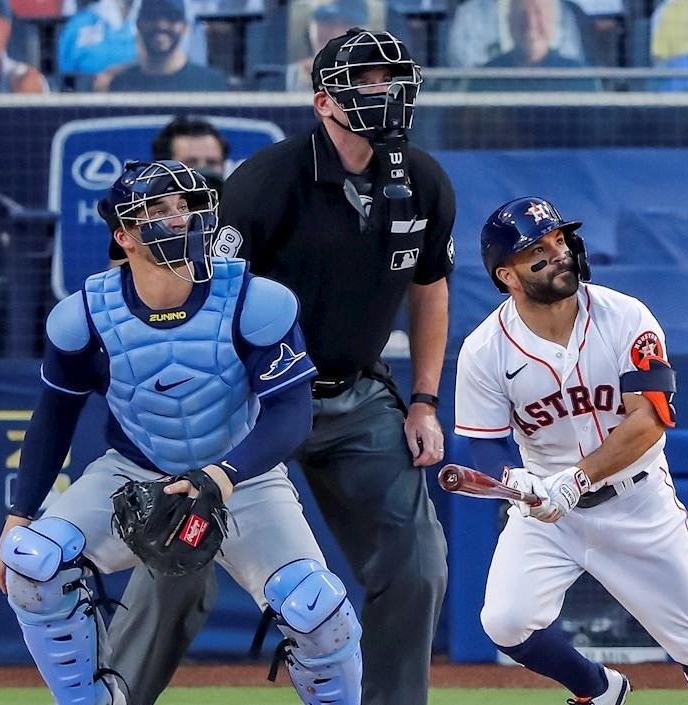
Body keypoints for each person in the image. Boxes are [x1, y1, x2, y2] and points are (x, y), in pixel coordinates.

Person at [108, 28, 451, 705]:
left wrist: (425, 399)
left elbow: (430, 284)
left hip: (355, 393)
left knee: (418, 565)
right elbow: (205, 294)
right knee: (177, 553)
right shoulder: (267, 182)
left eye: (392, 77)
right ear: (324, 101)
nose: (385, 92)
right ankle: (107, 698)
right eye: (367, 80)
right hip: (251, 399)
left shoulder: (426, 181)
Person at [0, 159, 363, 705]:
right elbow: (53, 418)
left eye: (187, 206)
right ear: (125, 236)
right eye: (161, 211)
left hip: (241, 476)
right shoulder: (85, 316)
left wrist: (224, 474)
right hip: (134, 473)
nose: (183, 219)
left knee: (316, 608)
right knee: (32, 562)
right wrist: (19, 515)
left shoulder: (255, 299)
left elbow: (290, 413)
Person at [454, 196, 688, 705]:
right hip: (549, 511)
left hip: (637, 501)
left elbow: (650, 421)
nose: (558, 254)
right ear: (507, 276)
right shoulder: (485, 349)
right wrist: (514, 480)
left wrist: (576, 479)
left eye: (558, 240)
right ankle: (600, 689)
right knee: (505, 622)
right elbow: (483, 441)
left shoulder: (624, 316)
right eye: (536, 251)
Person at [102, 120, 231, 703]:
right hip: (169, 452)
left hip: (260, 428)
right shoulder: (122, 281)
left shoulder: (242, 232)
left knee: (312, 603)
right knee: (169, 565)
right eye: (186, 169)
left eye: (209, 167)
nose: (199, 185)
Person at [96, 0, 229, 91]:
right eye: (152, 17)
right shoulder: (122, 84)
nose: (161, 25)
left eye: (171, 18)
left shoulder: (211, 82)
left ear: (185, 27)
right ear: (138, 24)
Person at [473, 0, 600, 92]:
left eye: (538, 13)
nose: (531, 24)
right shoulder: (483, 79)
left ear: (553, 20)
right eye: (522, 14)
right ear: (509, 21)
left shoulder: (580, 79)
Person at [446, 0, 583, 68]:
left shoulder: (563, 11)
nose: (531, 22)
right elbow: (466, 79)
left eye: (537, 13)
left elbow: (572, 72)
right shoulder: (470, 14)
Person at [283, 0, 367, 92]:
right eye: (324, 22)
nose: (333, 32)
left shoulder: (375, 78)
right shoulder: (289, 77)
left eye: (344, 24)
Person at [151, 115, 230, 190]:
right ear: (163, 169)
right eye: (191, 163)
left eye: (211, 163)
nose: (203, 170)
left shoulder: (237, 203)